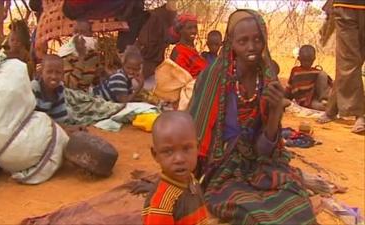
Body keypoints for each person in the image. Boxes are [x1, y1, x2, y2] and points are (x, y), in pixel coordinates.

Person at [189, 9, 316, 224]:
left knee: (297, 202)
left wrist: (275, 113)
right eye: (243, 40)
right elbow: (194, 133)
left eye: (257, 40)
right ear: (231, 43)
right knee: (248, 209)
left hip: (259, 163)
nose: (251, 47)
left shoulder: (267, 79)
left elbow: (264, 150)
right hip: (223, 166)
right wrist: (182, 179)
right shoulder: (214, 78)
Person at [142, 111, 209, 225]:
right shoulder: (162, 204)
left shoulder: (191, 180)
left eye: (186, 148)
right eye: (168, 151)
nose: (179, 159)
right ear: (155, 154)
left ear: (197, 147)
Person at [318, 0, 365, 133]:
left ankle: (332, 108)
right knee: (349, 62)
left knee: (349, 64)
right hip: (346, 7)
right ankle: (359, 114)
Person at [31, 54, 85, 133]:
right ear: (41, 72)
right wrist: (67, 129)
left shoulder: (59, 87)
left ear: (63, 74)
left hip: (52, 127)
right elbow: (32, 121)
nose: (54, 76)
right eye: (49, 72)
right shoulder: (34, 88)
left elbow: (60, 119)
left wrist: (69, 128)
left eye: (58, 72)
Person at [136, 2, 177, 79]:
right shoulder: (156, 17)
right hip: (148, 57)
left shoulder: (167, 17)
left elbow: (171, 38)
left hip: (155, 57)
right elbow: (145, 40)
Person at [286, 45, 333, 111]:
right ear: (299, 59)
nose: (307, 63)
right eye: (304, 61)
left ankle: (324, 99)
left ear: (314, 59)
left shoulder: (315, 71)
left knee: (323, 74)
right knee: (325, 108)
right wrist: (286, 97)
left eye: (309, 61)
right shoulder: (296, 71)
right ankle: (326, 104)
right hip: (306, 101)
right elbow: (290, 87)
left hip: (316, 97)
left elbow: (328, 83)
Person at [59, 19, 100, 92]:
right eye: (76, 32)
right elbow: (71, 86)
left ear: (90, 34)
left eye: (83, 32)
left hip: (88, 95)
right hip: (71, 96)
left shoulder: (93, 55)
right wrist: (81, 57)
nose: (78, 36)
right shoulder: (65, 56)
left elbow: (96, 80)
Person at [169, 14, 207, 79]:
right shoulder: (179, 51)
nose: (194, 31)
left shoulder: (191, 49)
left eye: (195, 27)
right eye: (189, 28)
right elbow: (182, 80)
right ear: (180, 30)